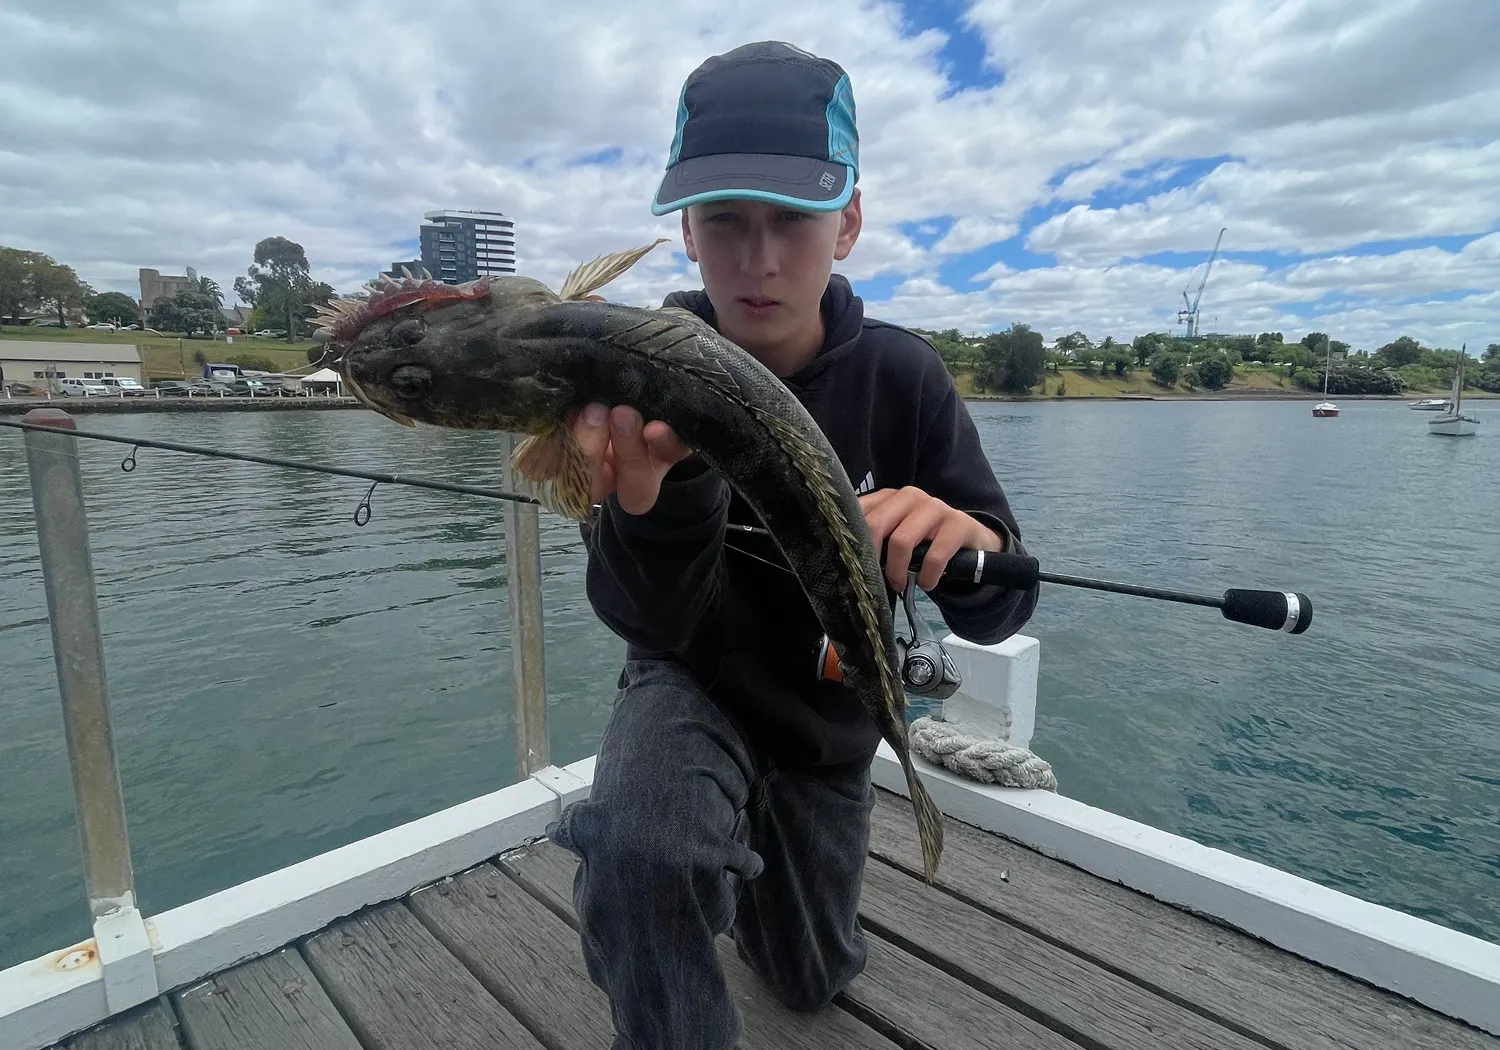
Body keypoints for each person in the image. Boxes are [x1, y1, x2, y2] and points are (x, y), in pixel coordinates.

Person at [545, 40, 1039, 1048]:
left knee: (810, 978)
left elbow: (1005, 598)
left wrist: (967, 540)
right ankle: (659, 906)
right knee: (643, 855)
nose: (759, 259)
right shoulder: (629, 375)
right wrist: (655, 503)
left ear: (848, 224)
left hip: (828, 722)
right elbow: (647, 620)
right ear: (685, 231)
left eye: (794, 222)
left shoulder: (902, 378)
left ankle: (753, 878)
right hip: (690, 686)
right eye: (725, 222)